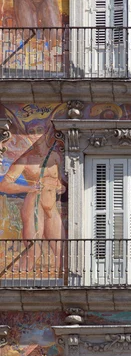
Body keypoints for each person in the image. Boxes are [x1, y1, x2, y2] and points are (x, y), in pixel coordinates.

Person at [0, 118, 66, 275]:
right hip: (33, 205)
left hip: (51, 205)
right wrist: (29, 187)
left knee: (60, 249)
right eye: (31, 132)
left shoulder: (56, 156)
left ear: (46, 133)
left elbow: (63, 182)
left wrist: (60, 187)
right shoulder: (25, 159)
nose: (35, 135)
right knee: (33, 249)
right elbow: (4, 185)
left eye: (38, 131)